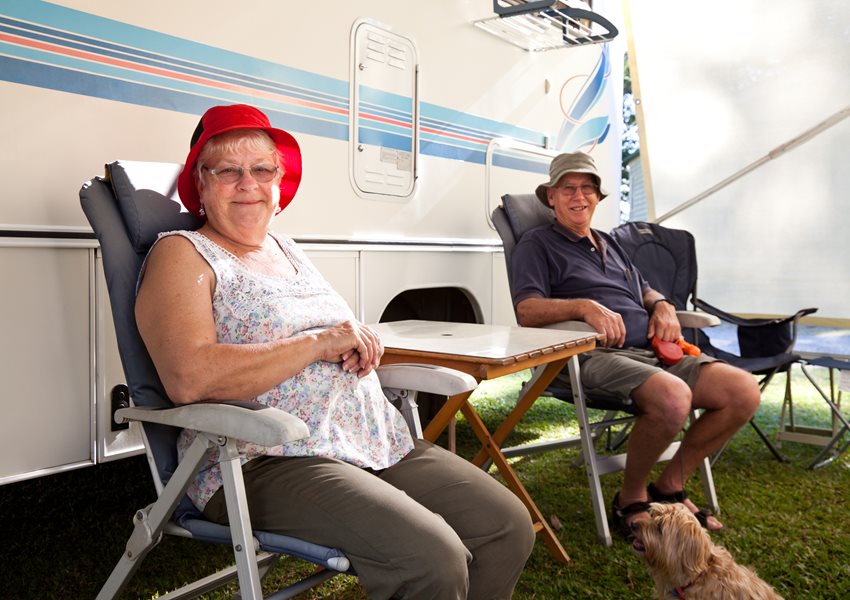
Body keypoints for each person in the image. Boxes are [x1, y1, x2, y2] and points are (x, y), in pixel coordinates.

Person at [135, 103, 534, 599]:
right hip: (265, 457)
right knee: (431, 559)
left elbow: (325, 331)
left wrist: (359, 340)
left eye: (262, 169)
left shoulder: (287, 248)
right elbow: (189, 377)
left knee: (507, 526)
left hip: (366, 440)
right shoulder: (183, 253)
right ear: (201, 181)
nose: (248, 183)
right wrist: (319, 343)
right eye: (228, 171)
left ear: (279, 180)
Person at [510, 152, 762, 538]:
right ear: (551, 198)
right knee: (674, 397)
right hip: (586, 356)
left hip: (650, 352)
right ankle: (631, 499)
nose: (579, 197)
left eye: (588, 188)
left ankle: (670, 487)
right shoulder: (537, 244)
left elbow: (643, 288)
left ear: (597, 197)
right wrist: (584, 307)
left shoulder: (609, 242)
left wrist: (661, 305)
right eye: (568, 189)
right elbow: (526, 310)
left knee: (743, 391)